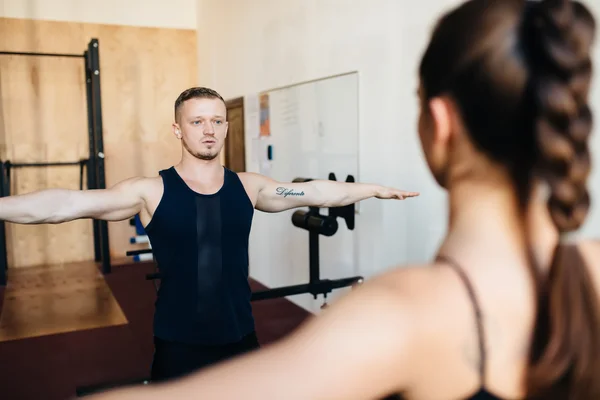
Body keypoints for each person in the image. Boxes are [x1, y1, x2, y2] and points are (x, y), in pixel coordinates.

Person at [81, 0, 600, 399]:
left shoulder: (403, 312)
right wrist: (369, 188)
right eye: (200, 122)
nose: (210, 130)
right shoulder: (592, 272)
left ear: (439, 124)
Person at [0, 86, 418, 382]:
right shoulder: (150, 191)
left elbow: (313, 191)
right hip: (179, 342)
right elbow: (63, 205)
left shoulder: (249, 186)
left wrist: (375, 190)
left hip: (240, 336)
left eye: (217, 120)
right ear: (178, 130)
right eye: (197, 121)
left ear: (226, 127)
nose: (209, 129)